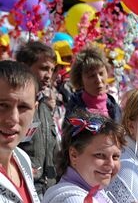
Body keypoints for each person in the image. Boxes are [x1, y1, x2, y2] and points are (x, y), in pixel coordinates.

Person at [43, 110, 138, 203]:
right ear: (74, 155)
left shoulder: (94, 190)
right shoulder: (74, 199)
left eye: (115, 156)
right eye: (100, 155)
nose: (110, 164)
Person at [15, 41, 59, 197]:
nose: (49, 75)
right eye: (43, 68)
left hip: (48, 191)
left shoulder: (44, 107)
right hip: (23, 189)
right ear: (24, 67)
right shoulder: (13, 106)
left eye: (52, 70)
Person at [0, 60, 40, 202]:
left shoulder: (22, 159)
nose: (13, 119)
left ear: (35, 109)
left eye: (23, 107)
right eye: (3, 105)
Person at [67, 46, 121, 122]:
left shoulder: (114, 107)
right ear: (80, 79)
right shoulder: (74, 110)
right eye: (92, 76)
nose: (99, 80)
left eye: (101, 73)